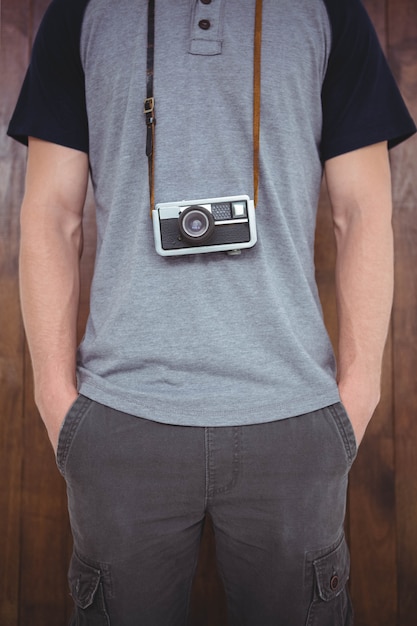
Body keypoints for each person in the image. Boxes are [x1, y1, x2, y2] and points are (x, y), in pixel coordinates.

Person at [8, 0, 416, 624]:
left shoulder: (329, 9)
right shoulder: (83, 11)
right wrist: (56, 402)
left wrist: (356, 399)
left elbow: (362, 211)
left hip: (294, 418)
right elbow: (51, 214)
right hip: (121, 417)